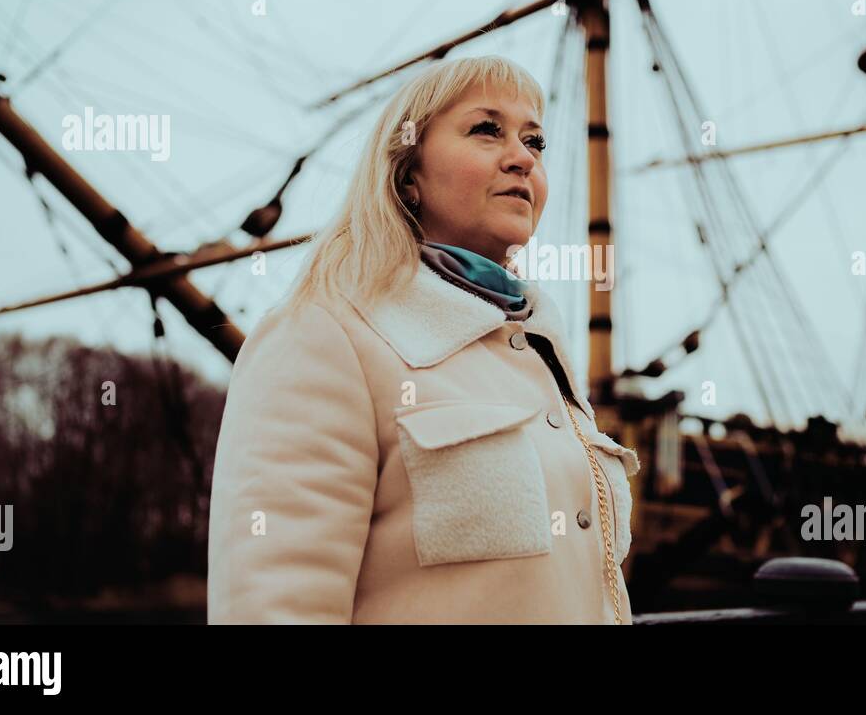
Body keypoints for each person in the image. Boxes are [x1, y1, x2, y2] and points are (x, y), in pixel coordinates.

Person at [206, 55, 639, 624]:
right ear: (408, 175)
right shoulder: (326, 336)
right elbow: (276, 606)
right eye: (487, 130)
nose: (522, 158)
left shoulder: (538, 353)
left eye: (534, 142)